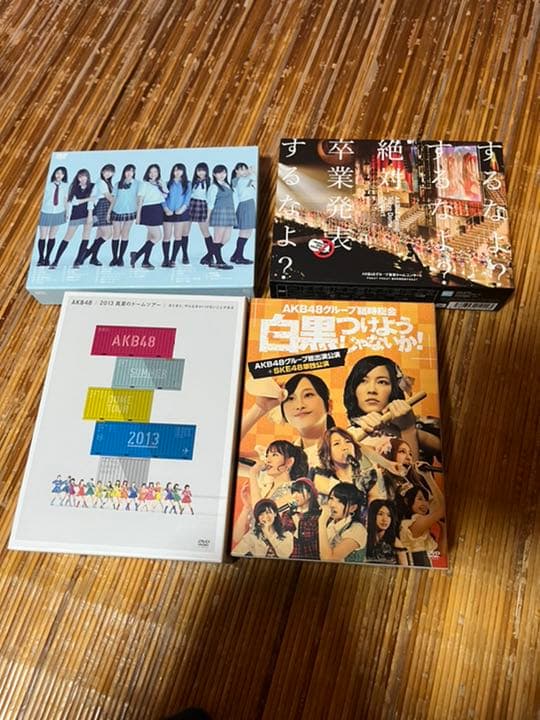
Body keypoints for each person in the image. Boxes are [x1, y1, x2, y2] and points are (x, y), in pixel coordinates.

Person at [343, 354, 441, 462]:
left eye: (382, 382)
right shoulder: (345, 437)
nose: (372, 390)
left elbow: (440, 449)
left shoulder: (412, 427)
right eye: (363, 381)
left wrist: (407, 429)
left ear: (394, 388)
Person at [240, 373, 336, 470]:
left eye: (308, 395)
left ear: (329, 406)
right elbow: (231, 458)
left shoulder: (344, 448)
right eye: (290, 398)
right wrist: (260, 408)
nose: (299, 406)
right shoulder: (279, 458)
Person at [49, 169, 95, 268]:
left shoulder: (92, 186)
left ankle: (77, 261)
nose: (82, 178)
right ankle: (56, 261)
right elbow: (74, 202)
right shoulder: (74, 187)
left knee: (86, 237)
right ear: (77, 178)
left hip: (88, 213)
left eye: (84, 176)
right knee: (67, 237)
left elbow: (93, 200)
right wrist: (88, 199)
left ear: (88, 177)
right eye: (80, 176)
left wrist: (90, 213)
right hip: (76, 214)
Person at [399, 481, 445, 567]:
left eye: (426, 500)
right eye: (420, 499)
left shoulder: (423, 530)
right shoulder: (411, 524)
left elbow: (438, 554)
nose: (425, 504)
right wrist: (429, 478)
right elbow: (443, 508)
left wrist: (443, 528)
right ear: (407, 501)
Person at [317, 483, 367, 563]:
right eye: (331, 498)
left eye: (340, 501)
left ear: (353, 508)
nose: (332, 505)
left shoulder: (357, 529)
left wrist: (322, 522)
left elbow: (329, 559)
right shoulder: (331, 524)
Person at [131, 164, 168, 269]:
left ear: (158, 173)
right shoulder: (145, 184)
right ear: (147, 173)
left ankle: (145, 261)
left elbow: (165, 195)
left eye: (155, 172)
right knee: (157, 236)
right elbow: (140, 199)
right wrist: (138, 215)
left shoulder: (160, 183)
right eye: (150, 172)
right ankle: (136, 255)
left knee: (150, 237)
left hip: (158, 209)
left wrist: (162, 185)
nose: (153, 174)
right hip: (148, 210)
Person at [280, 478, 321, 559]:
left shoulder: (318, 516)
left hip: (312, 559)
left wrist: (296, 519)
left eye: (299, 492)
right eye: (293, 492)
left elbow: (307, 538)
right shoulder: (287, 514)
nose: (294, 496)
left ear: (310, 494)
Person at [84, 163, 115, 266]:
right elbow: (109, 197)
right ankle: (87, 253)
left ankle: (93, 258)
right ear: (102, 171)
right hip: (103, 207)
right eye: (107, 171)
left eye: (111, 172)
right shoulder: (101, 182)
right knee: (108, 234)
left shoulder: (107, 182)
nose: (108, 173)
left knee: (100, 235)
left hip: (105, 206)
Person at [37, 166, 68, 266]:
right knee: (43, 236)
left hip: (58, 212)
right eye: (57, 173)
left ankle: (47, 258)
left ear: (64, 176)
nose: (59, 175)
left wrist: (66, 212)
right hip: (45, 211)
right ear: (54, 173)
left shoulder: (65, 186)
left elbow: (65, 200)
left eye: (62, 174)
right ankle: (41, 258)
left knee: (52, 236)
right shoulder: (47, 185)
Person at [109, 164, 139, 266]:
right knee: (116, 234)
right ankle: (114, 258)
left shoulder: (137, 184)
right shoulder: (118, 184)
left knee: (125, 234)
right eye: (127, 171)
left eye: (131, 171)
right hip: (117, 211)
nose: (129, 173)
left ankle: (121, 258)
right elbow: (113, 199)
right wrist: (109, 212)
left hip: (130, 211)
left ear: (134, 173)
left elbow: (140, 198)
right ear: (124, 172)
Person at [206, 164, 235, 269]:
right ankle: (219, 261)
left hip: (229, 212)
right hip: (220, 212)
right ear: (214, 174)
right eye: (219, 173)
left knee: (226, 238)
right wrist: (208, 217)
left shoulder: (227, 184)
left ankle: (208, 257)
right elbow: (210, 203)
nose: (222, 175)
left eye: (224, 172)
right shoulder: (214, 187)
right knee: (217, 238)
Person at [162, 163, 191, 267]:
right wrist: (166, 209)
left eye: (179, 170)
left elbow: (187, 198)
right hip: (168, 212)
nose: (177, 172)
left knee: (178, 236)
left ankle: (173, 259)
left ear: (183, 171)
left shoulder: (187, 184)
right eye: (175, 170)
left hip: (180, 212)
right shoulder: (167, 184)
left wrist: (182, 209)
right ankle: (165, 259)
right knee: (167, 236)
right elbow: (162, 198)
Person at [366, 499, 407, 565]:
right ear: (372, 516)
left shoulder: (395, 542)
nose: (385, 519)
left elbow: (404, 568)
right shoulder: (364, 538)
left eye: (389, 515)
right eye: (380, 514)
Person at [229, 162, 255, 264]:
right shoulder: (238, 180)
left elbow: (252, 181)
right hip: (245, 205)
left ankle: (236, 255)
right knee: (244, 232)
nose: (244, 171)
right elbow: (252, 177)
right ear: (236, 171)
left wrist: (250, 172)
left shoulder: (245, 180)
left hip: (249, 204)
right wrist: (251, 172)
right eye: (242, 169)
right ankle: (239, 257)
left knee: (248, 232)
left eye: (245, 169)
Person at [188, 162, 213, 264]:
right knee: (185, 231)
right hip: (191, 204)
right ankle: (184, 255)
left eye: (203, 170)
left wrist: (209, 214)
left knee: (205, 232)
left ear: (206, 171)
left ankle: (210, 255)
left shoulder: (209, 182)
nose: (201, 172)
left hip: (202, 205)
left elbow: (210, 199)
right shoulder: (193, 182)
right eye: (199, 170)